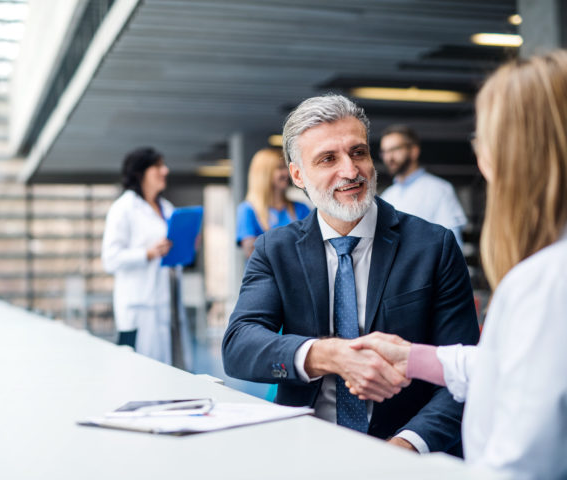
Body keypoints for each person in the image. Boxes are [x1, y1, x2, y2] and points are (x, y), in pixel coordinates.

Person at [222, 94, 479, 454]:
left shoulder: (433, 247)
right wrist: (327, 355)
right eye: (328, 158)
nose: (350, 170)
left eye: (358, 152)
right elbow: (239, 346)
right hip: (305, 447)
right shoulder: (275, 250)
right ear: (297, 174)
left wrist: (406, 446)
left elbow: (463, 373)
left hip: (406, 449)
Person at [351, 51, 567, 479]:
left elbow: (517, 466)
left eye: (482, 138)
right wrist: (414, 358)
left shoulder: (545, 283)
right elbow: (522, 368)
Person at [101, 147, 190, 367]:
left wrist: (186, 245)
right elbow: (110, 259)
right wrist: (147, 253)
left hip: (168, 303)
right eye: (158, 166)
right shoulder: (123, 208)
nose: (165, 171)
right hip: (140, 307)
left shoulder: (167, 208)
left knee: (172, 370)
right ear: (140, 172)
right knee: (140, 371)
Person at [379, 125, 467, 247]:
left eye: (395, 149)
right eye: (385, 152)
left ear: (414, 151)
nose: (389, 157)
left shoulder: (440, 190)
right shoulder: (387, 196)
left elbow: (453, 244)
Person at [236, 147, 311, 258]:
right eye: (280, 168)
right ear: (265, 174)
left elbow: (312, 245)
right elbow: (252, 253)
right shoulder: (247, 210)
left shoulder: (301, 208)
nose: (286, 173)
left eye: (286, 167)